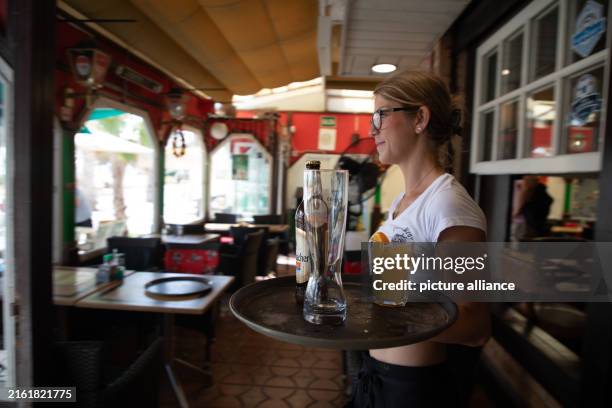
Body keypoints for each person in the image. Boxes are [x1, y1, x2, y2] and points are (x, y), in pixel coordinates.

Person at [349, 71, 490, 407]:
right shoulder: (402, 202)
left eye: (380, 115)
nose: (372, 130)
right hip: (377, 377)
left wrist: (384, 318)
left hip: (413, 391)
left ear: (420, 119)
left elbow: (475, 324)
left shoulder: (448, 204)